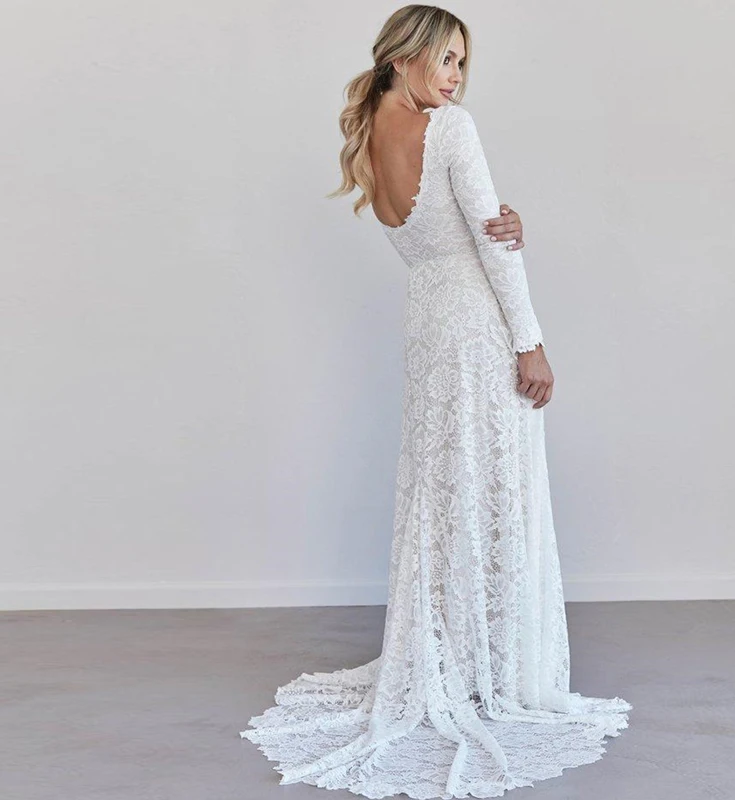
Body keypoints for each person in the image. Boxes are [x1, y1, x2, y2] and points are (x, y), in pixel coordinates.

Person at [240, 6, 632, 797]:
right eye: (444, 59)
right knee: (492, 489)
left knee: (446, 490)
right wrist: (530, 340)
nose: (454, 78)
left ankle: (456, 659)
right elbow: (489, 243)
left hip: (426, 324)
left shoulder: (368, 136)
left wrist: (504, 225)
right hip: (478, 328)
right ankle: (495, 672)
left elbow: (448, 235)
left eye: (461, 63)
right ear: (404, 56)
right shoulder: (451, 130)